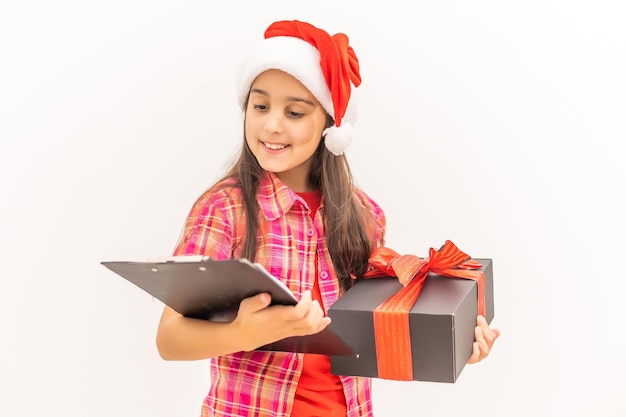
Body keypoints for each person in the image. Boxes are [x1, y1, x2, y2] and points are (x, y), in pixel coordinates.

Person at [155, 19, 500, 417]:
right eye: (260, 105)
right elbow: (169, 339)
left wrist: (453, 345)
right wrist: (245, 332)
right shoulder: (225, 209)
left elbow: (370, 337)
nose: (272, 125)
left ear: (329, 124)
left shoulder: (364, 215)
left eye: (295, 112)